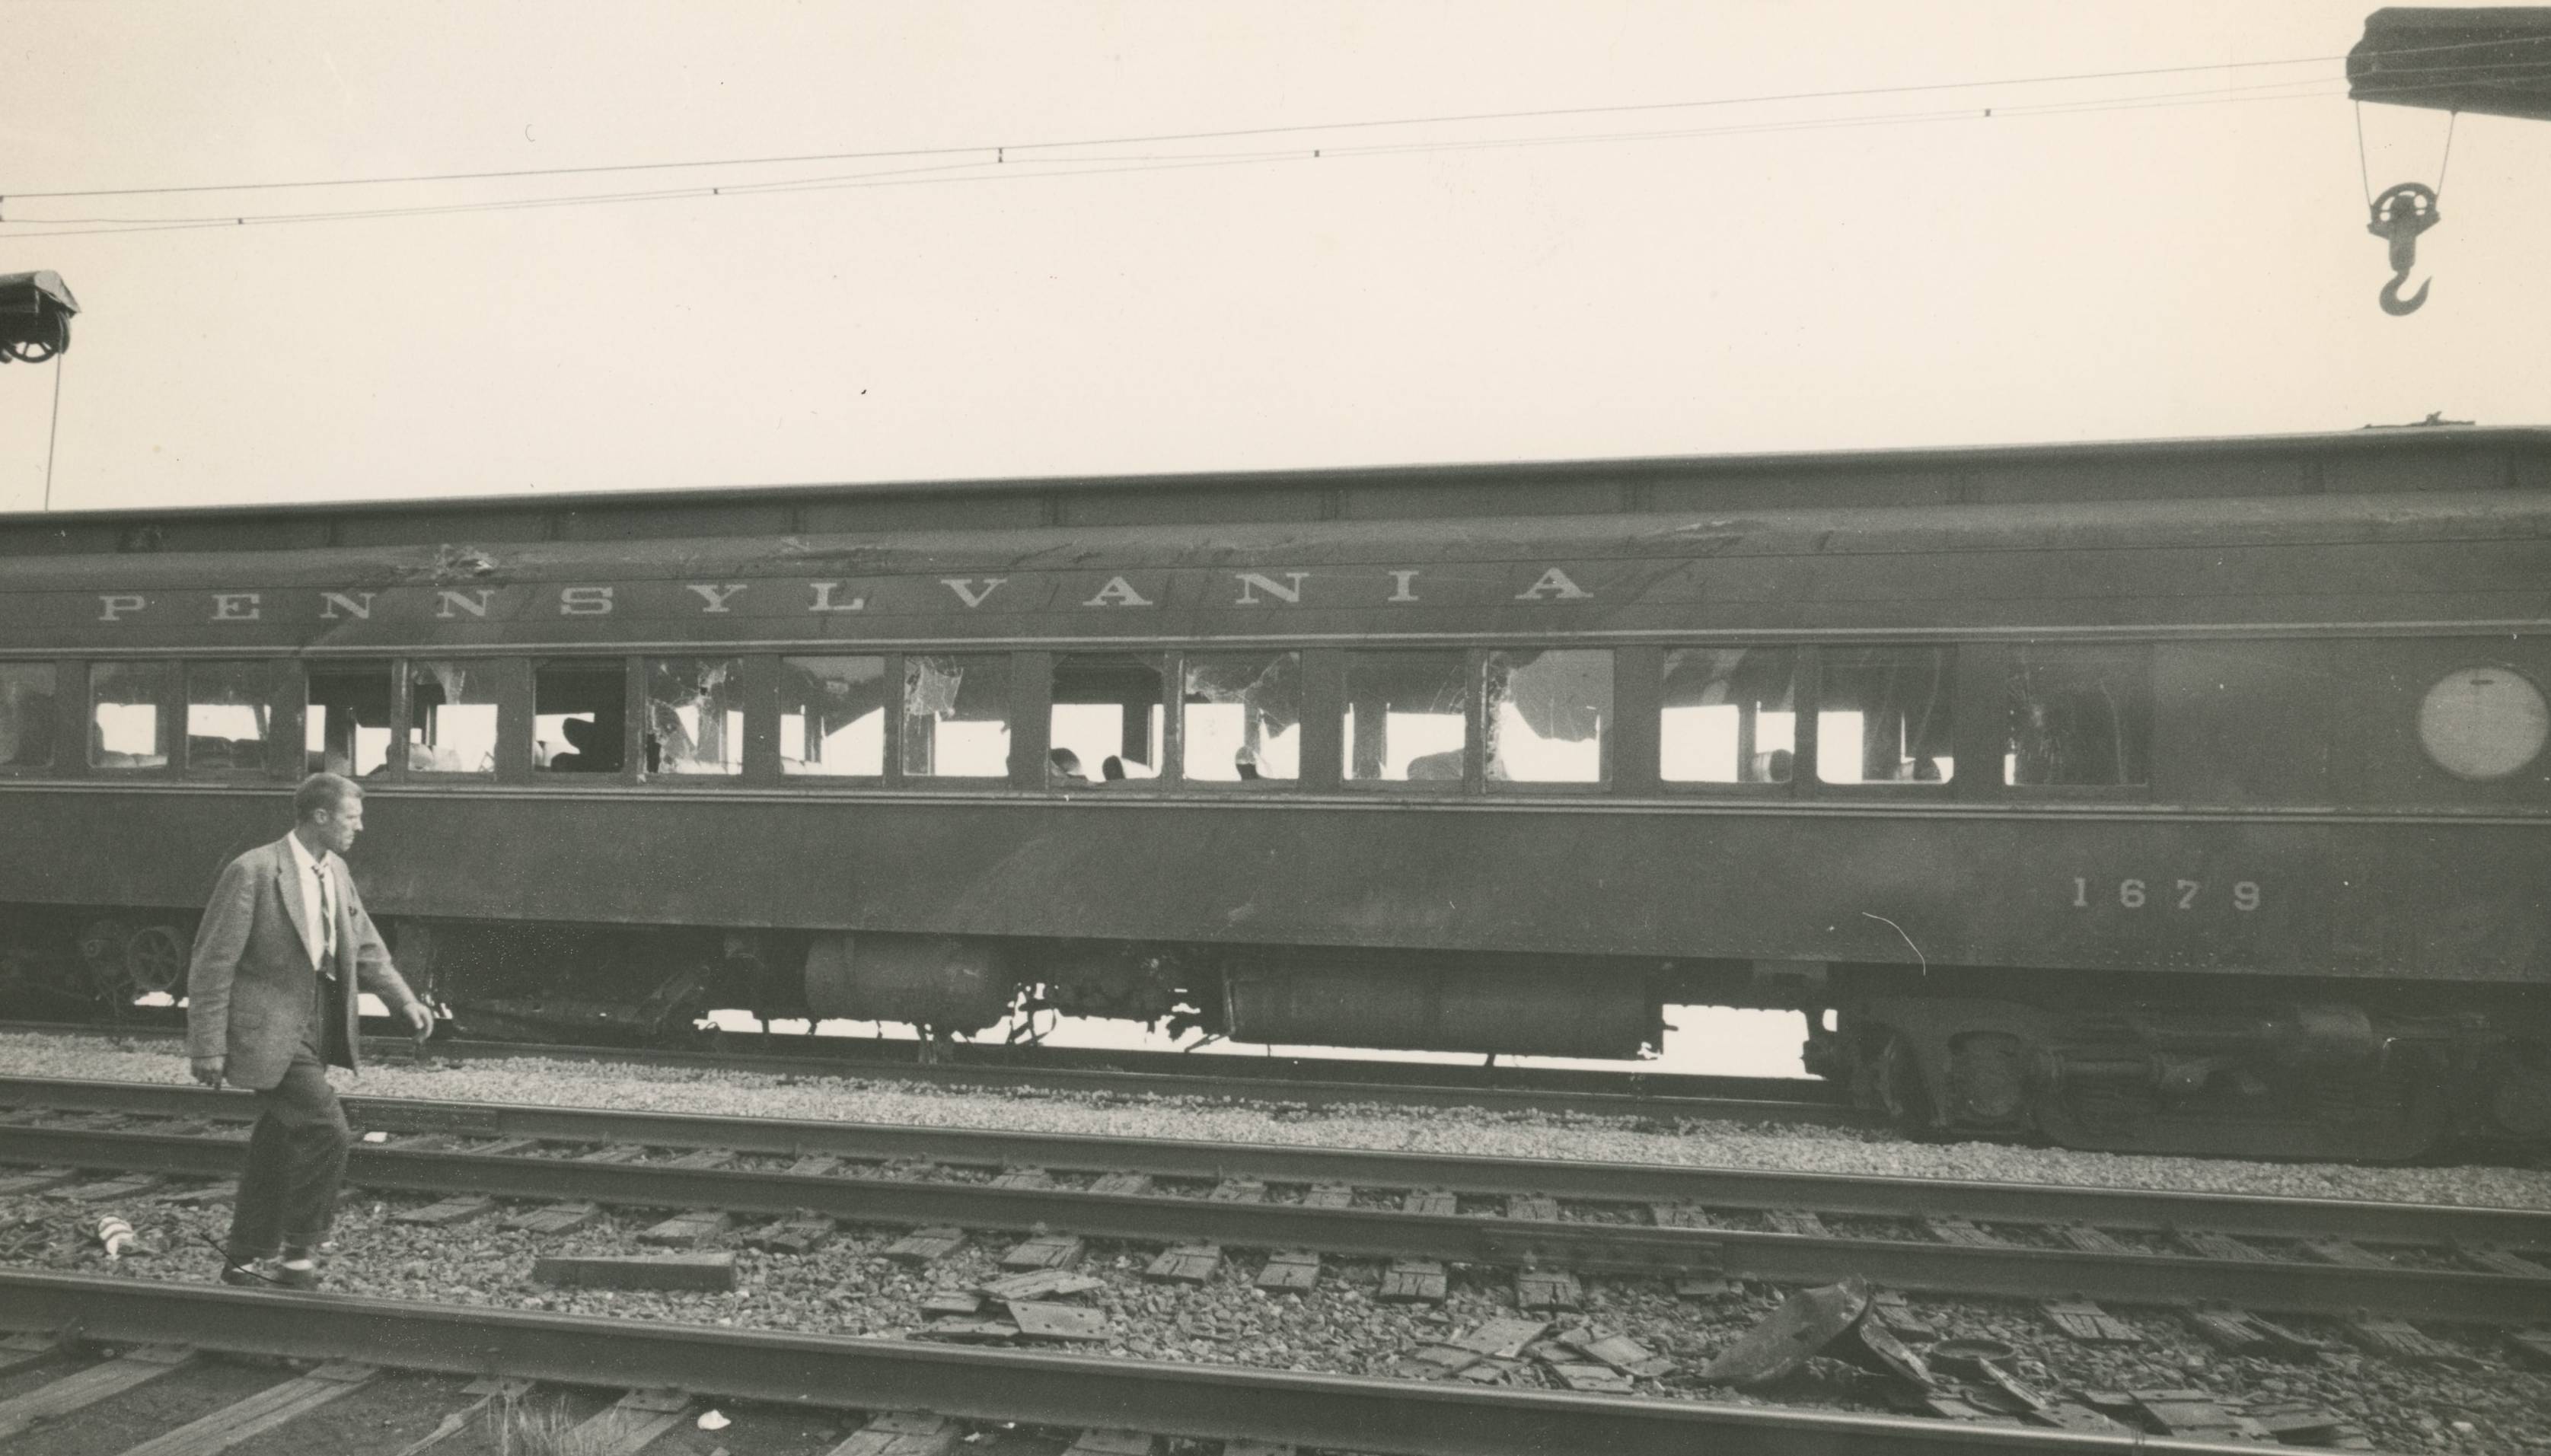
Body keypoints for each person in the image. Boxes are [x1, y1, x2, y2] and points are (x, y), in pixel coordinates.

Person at [185, 773, 432, 1290]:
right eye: (351, 817)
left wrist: (404, 1000)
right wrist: (207, 1046)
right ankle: (299, 1253)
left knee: (277, 1142)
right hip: (267, 1029)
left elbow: (366, 946)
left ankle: (243, 1259)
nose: (359, 827)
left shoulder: (335, 870)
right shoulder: (253, 870)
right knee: (327, 1130)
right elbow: (213, 963)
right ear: (320, 817)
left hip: (319, 1022)